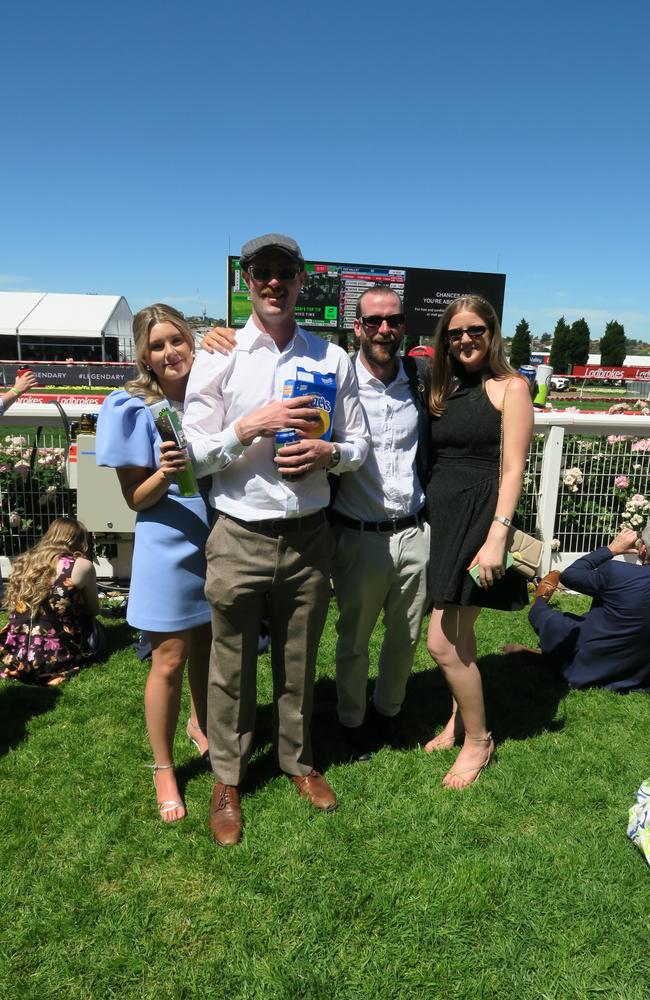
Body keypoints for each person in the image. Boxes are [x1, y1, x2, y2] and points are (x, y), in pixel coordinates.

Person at [183, 232, 369, 846]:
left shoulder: (331, 358)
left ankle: (298, 760)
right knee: (229, 668)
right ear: (246, 281)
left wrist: (331, 451)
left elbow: (359, 444)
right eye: (261, 272)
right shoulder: (220, 354)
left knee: (298, 660)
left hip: (308, 537)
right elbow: (193, 454)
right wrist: (247, 426)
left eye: (283, 273)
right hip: (238, 532)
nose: (272, 283)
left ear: (299, 281)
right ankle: (227, 778)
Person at [96, 304, 212, 824]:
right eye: (158, 345)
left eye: (177, 341)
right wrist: (165, 472)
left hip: (220, 539)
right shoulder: (131, 407)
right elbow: (134, 500)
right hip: (166, 544)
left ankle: (203, 724)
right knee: (169, 657)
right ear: (144, 355)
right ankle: (164, 767)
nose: (170, 353)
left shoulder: (211, 392)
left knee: (209, 647)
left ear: (192, 342)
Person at [424, 295, 534, 788]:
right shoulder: (443, 387)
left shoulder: (511, 388)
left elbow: (513, 468)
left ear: (492, 334)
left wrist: (498, 534)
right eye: (455, 333)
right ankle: (459, 721)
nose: (465, 339)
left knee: (443, 642)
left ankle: (479, 741)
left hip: (480, 521)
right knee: (462, 637)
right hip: (445, 520)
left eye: (475, 330)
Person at [329, 285, 432, 760]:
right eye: (374, 321)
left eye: (392, 320)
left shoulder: (420, 377)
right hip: (358, 534)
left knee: (406, 634)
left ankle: (389, 711)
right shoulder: (338, 378)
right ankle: (350, 720)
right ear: (358, 327)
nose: (384, 329)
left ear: (404, 327)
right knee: (354, 638)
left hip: (413, 531)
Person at [503, 526, 650, 692]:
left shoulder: (618, 572)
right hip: (641, 675)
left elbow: (569, 575)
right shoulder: (621, 574)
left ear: (643, 548)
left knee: (547, 617)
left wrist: (611, 549)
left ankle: (539, 602)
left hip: (588, 667)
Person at [1, 517, 101, 685]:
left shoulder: (24, 561)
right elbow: (93, 610)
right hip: (54, 655)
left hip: (16, 655)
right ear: (78, 541)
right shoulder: (81, 565)